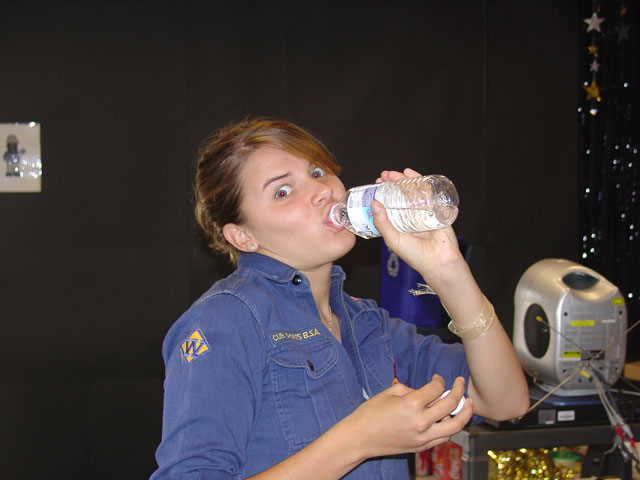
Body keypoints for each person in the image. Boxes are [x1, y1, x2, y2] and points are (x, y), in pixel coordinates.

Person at [150, 117, 529, 480]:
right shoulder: (225, 320)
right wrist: (358, 440)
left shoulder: (365, 322)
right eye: (283, 191)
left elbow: (504, 402)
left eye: (318, 173)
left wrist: (450, 272)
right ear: (243, 236)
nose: (323, 191)